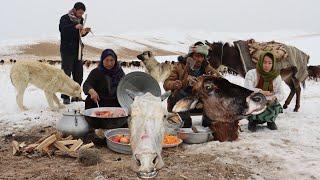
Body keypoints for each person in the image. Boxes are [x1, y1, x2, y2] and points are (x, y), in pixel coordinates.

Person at [163, 42, 220, 128]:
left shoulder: (207, 68)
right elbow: (166, 84)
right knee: (179, 94)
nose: (199, 59)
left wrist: (214, 81)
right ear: (190, 56)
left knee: (213, 95)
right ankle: (185, 122)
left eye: (201, 56)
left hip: (200, 99)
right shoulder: (179, 67)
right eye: (196, 56)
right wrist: (174, 84)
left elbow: (221, 80)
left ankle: (208, 123)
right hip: (182, 98)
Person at [59, 2, 91, 104]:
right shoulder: (65, 18)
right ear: (75, 10)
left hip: (78, 51)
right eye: (80, 12)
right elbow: (63, 30)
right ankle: (65, 96)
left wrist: (84, 32)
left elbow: (78, 35)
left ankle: (76, 96)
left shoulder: (80, 19)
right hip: (67, 51)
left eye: (82, 13)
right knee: (66, 74)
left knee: (79, 74)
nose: (81, 15)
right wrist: (74, 27)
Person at [244, 52, 284, 132]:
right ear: (260, 62)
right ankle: (252, 122)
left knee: (275, 104)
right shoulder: (251, 73)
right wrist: (261, 92)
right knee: (250, 103)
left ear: (273, 64)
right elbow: (247, 88)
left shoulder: (276, 76)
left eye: (270, 63)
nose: (267, 65)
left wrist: (274, 97)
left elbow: (281, 93)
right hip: (255, 99)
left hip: (269, 101)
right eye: (264, 62)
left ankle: (270, 121)